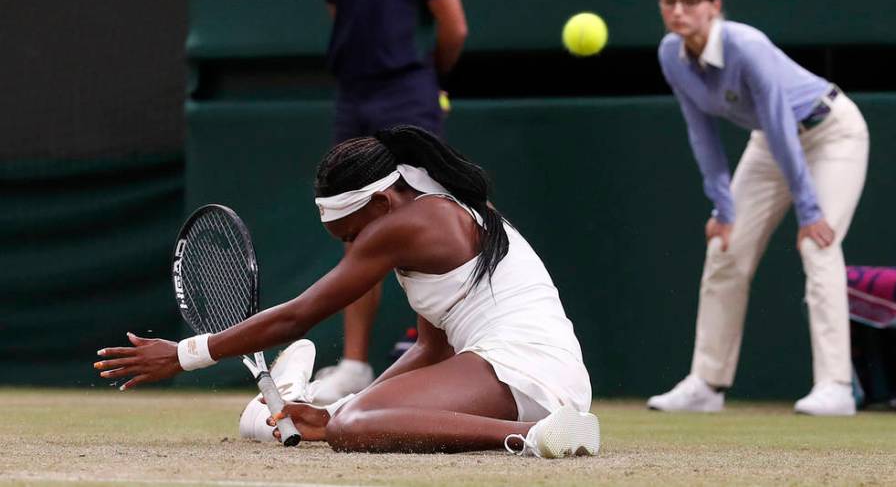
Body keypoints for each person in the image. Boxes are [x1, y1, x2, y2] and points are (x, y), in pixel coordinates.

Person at [94, 125, 599, 457]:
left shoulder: (416, 222)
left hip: (523, 372)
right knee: (349, 418)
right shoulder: (436, 212)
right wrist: (360, 403)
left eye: (355, 234)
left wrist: (184, 354)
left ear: (381, 202)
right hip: (539, 378)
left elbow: (298, 317)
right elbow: (432, 347)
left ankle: (533, 438)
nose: (356, 248)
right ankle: (543, 429)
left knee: (349, 430)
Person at [647, 0, 870, 416]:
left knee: (819, 246)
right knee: (725, 249)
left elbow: (779, 122)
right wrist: (723, 208)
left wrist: (809, 211)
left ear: (714, 6)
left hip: (832, 132)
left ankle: (836, 387)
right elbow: (700, 131)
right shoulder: (671, 54)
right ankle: (706, 384)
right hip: (772, 144)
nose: (679, 11)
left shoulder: (746, 46)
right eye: (670, 2)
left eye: (690, 1)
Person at [311, 0, 468, 401]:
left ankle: (435, 346)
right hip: (353, 97)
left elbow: (454, 26)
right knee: (358, 225)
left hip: (408, 96)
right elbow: (343, 19)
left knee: (429, 217)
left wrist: (431, 80)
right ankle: (354, 364)